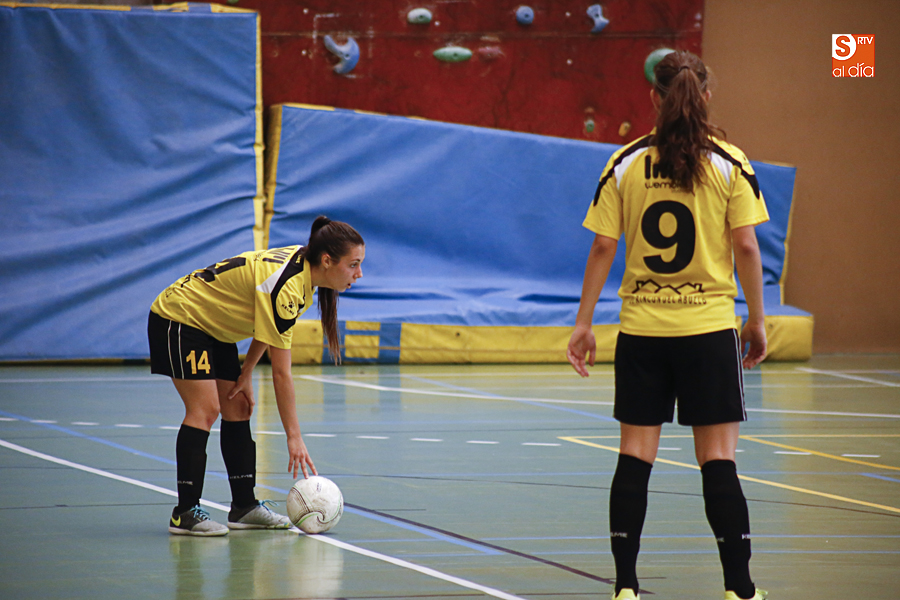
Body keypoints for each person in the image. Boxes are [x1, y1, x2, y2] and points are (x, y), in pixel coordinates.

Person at [566, 51, 769, 600]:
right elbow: (747, 246)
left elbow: (603, 246)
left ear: (654, 98)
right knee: (718, 461)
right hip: (708, 331)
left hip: (644, 332)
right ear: (706, 96)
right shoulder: (730, 163)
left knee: (635, 457)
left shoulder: (625, 162)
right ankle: (739, 589)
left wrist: (583, 322)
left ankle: (625, 587)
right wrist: (756, 319)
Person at [148, 216, 364, 536]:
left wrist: (246, 371)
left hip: (215, 326)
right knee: (205, 409)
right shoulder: (288, 284)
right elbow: (281, 373)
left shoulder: (303, 278)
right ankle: (184, 512)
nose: (359, 274)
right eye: (354, 265)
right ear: (327, 260)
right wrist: (294, 437)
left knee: (237, 406)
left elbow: (268, 327)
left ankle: (244, 507)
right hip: (181, 316)